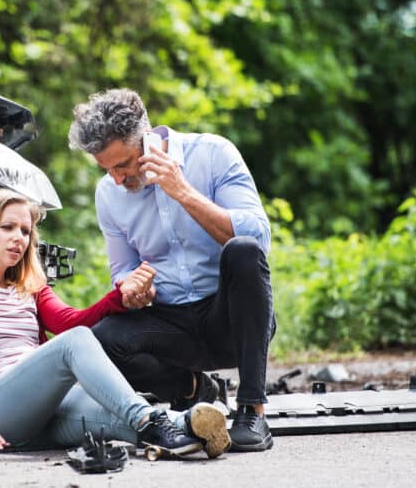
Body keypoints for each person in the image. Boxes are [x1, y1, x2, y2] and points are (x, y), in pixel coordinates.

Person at [0, 188, 230, 458]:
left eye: (26, 231)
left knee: (112, 412)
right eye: (8, 227)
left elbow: (70, 322)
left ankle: (189, 428)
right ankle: (153, 422)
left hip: (37, 410)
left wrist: (117, 299)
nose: (19, 238)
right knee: (76, 343)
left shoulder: (30, 288)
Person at [68, 88, 276, 452]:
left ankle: (252, 409)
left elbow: (257, 238)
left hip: (229, 318)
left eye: (123, 165)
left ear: (149, 143)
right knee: (99, 341)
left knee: (242, 250)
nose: (117, 179)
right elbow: (122, 269)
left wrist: (182, 191)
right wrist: (132, 289)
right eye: (107, 169)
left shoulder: (213, 153)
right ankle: (192, 388)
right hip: (170, 324)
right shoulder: (109, 193)